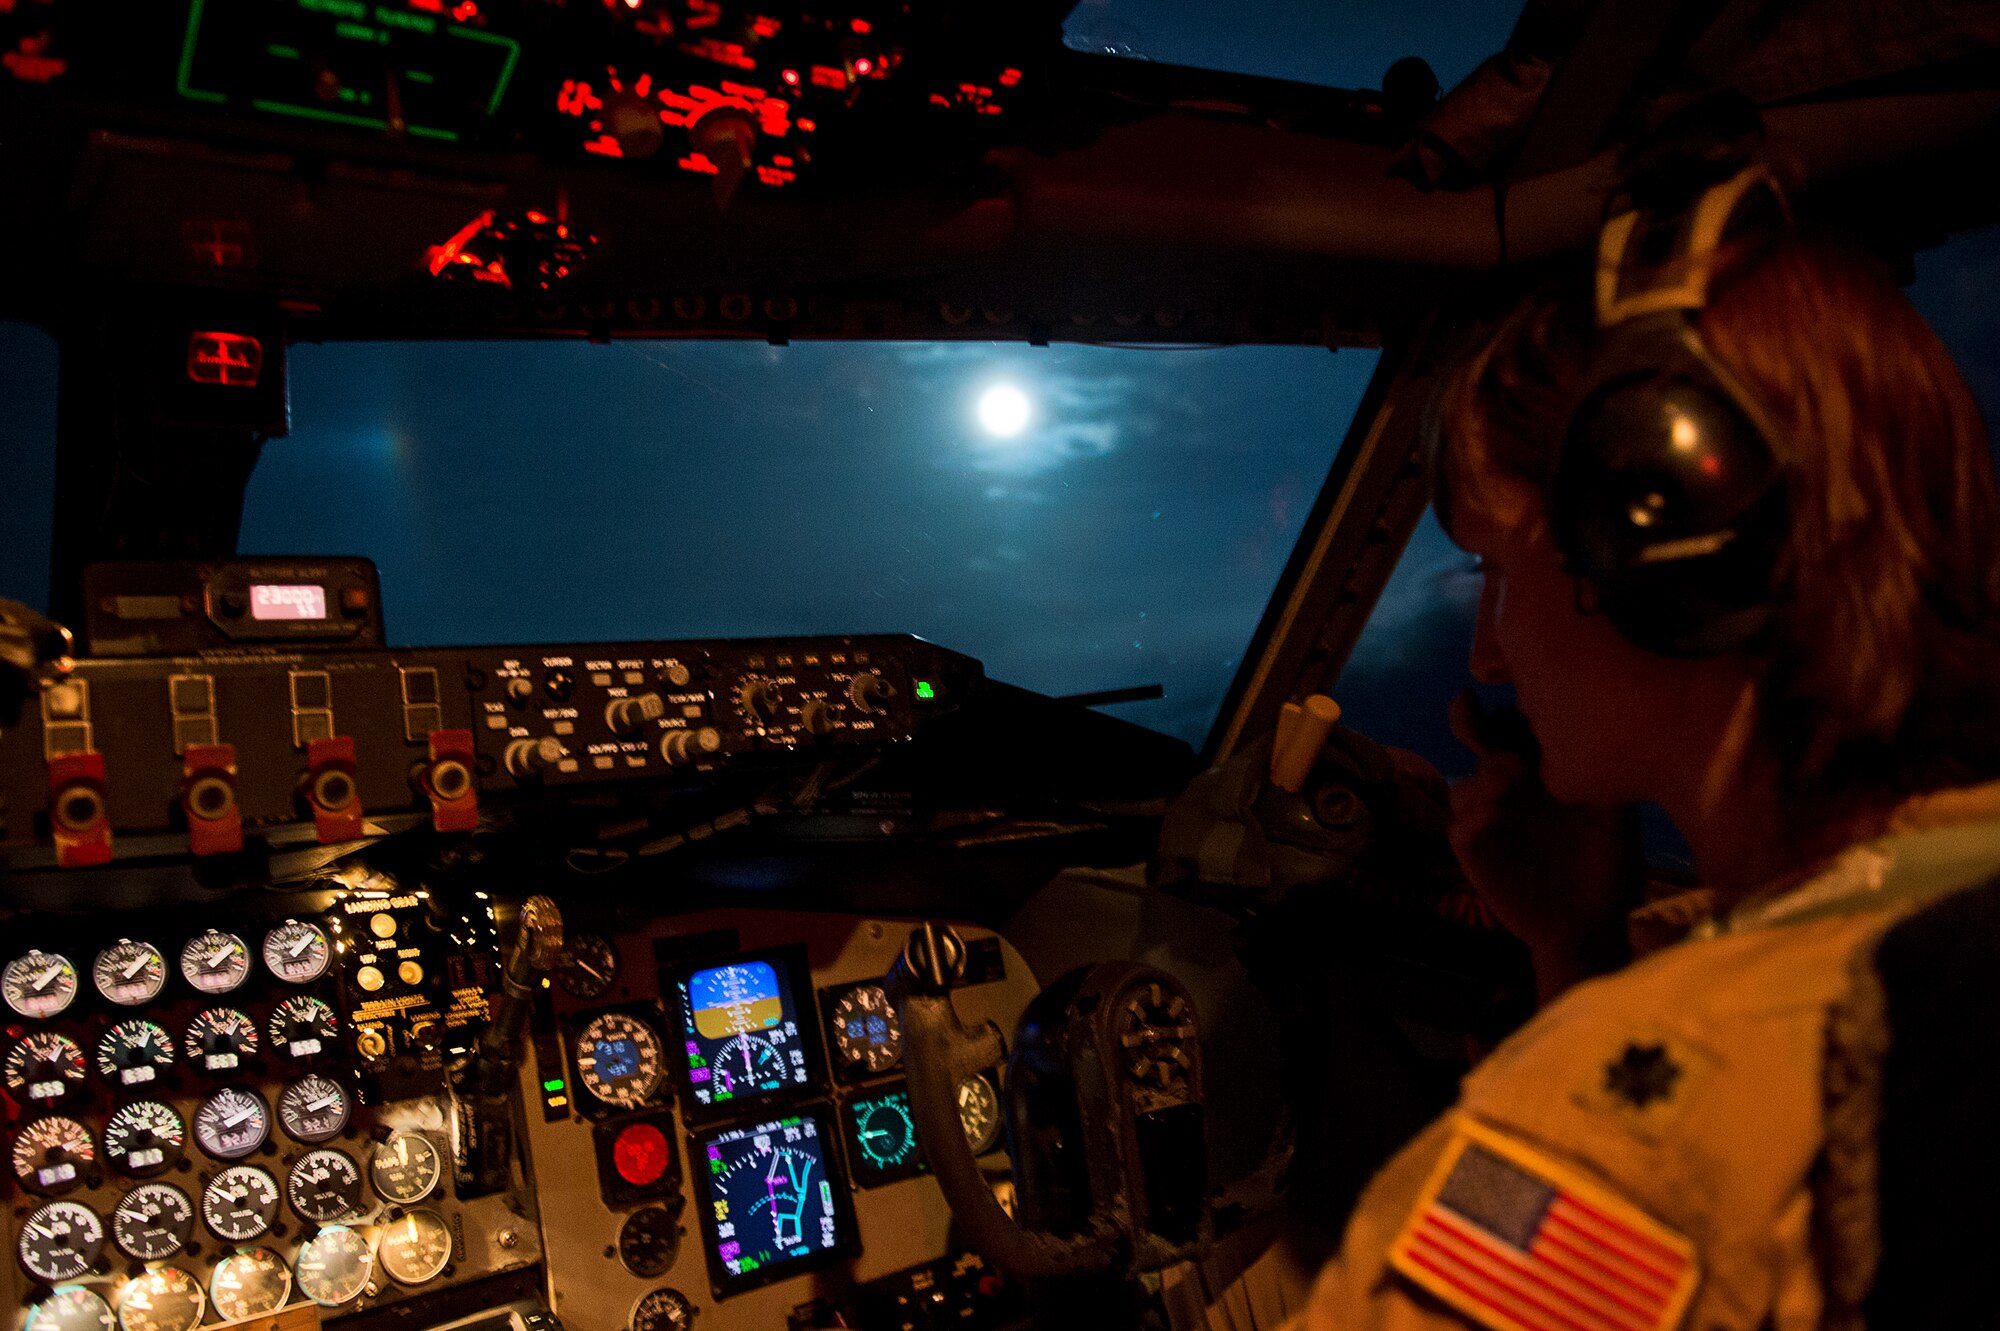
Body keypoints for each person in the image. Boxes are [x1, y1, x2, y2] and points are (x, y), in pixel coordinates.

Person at [1258, 168, 2000, 1331]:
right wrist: (1576, 941)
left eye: (1497, 569)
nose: (1487, 658)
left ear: (1660, 544)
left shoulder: (1604, 1139)